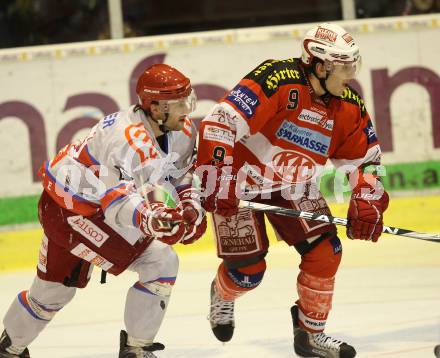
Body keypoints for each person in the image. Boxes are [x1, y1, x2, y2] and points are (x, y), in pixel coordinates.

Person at [196, 23, 389, 358]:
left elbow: (367, 160)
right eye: (344, 67)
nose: (351, 76)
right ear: (320, 64)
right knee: (247, 274)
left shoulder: (348, 105)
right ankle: (223, 294)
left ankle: (311, 334)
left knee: (326, 250)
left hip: (292, 184)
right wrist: (219, 177)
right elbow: (219, 123)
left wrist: (368, 199)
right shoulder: (276, 78)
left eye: (352, 66)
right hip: (238, 183)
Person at [0, 63, 207, 358]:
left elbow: (183, 175)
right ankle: (137, 350)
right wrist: (153, 220)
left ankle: (8, 349)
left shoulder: (182, 130)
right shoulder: (126, 140)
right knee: (160, 262)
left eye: (189, 99)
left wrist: (190, 207)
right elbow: (116, 203)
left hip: (79, 207)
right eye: (179, 104)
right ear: (154, 107)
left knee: (52, 293)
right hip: (72, 214)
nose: (187, 110)